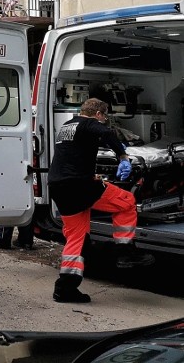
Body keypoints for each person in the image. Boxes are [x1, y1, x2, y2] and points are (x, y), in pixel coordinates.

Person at [48, 97, 155, 303]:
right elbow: (106, 132)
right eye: (104, 116)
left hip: (59, 186)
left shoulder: (67, 126)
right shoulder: (90, 123)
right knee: (126, 200)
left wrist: (91, 174)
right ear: (98, 114)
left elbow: (74, 155)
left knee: (76, 237)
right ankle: (125, 251)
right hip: (79, 186)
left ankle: (65, 289)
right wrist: (123, 157)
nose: (104, 120)